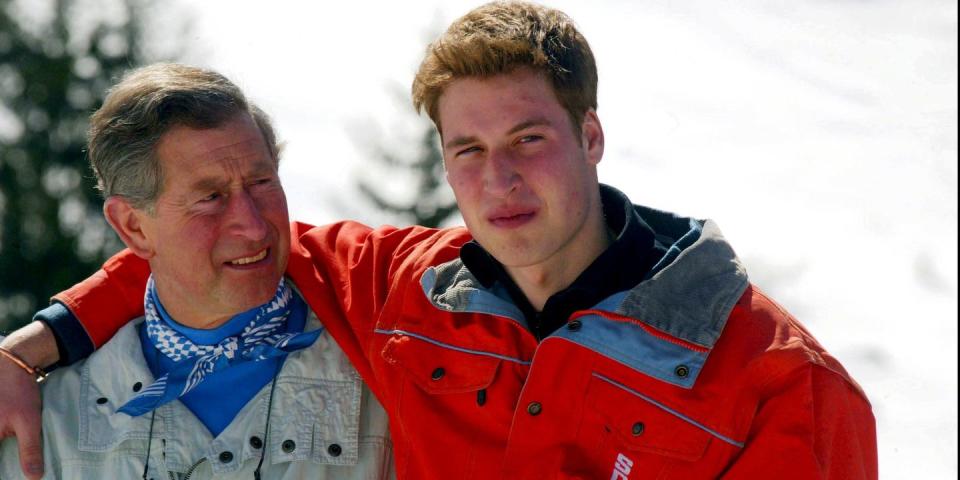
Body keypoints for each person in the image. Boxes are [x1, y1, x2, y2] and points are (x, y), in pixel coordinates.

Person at [1, 2, 877, 479]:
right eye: (469, 150)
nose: (499, 181)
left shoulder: (783, 388)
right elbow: (225, 249)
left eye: (529, 140)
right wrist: (38, 344)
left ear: (591, 136)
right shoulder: (402, 292)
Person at [0, 64, 393, 479]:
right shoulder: (43, 421)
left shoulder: (390, 386)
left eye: (262, 182)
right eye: (210, 197)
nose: (255, 226)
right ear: (133, 226)